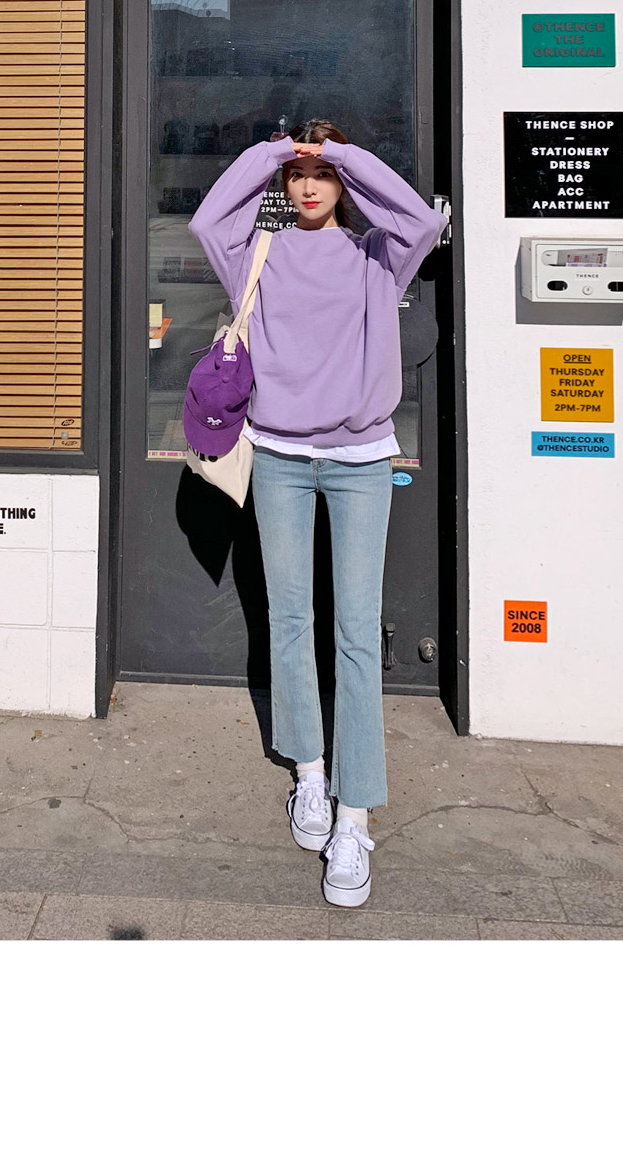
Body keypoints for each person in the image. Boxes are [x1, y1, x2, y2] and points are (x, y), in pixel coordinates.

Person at [189, 120, 446, 907]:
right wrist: (276, 152)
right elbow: (207, 220)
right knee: (290, 617)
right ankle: (309, 772)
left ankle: (355, 816)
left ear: (342, 183)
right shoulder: (259, 255)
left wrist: (338, 153)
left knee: (357, 631)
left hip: (361, 458)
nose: (308, 185)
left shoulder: (376, 256)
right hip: (278, 456)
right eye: (298, 175)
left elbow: (419, 218)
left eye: (321, 175)